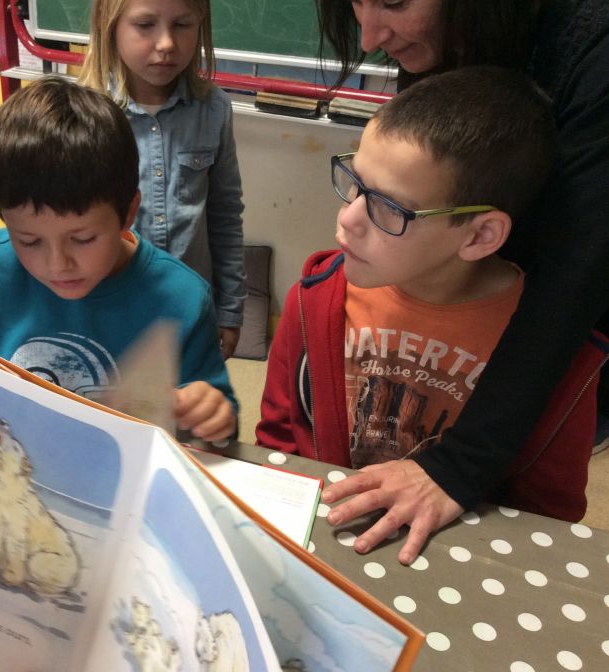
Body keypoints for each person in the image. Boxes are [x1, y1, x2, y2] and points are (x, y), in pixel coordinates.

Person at [256, 66, 607, 563]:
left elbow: (547, 519)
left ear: (480, 235)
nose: (349, 218)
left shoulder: (557, 360)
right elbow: (277, 443)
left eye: (388, 208)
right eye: (355, 184)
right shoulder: (312, 300)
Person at [0, 77, 237, 442]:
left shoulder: (182, 299)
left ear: (128, 212)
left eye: (82, 239)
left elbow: (215, 420)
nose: (57, 264)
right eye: (29, 240)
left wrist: (211, 413)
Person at [79, 0, 247, 360]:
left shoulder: (214, 109)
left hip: (189, 309)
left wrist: (230, 310)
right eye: (145, 25)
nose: (167, 43)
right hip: (110, 312)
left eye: (182, 25)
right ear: (110, 25)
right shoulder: (84, 114)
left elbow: (225, 215)